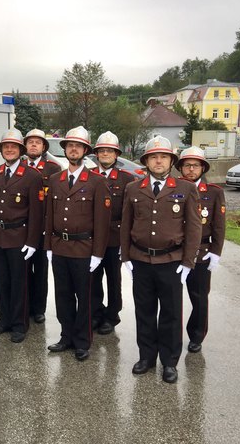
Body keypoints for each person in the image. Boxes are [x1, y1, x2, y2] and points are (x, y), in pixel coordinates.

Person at [121, 135, 201, 384]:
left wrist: (188, 262)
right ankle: (146, 357)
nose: (158, 160)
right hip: (141, 260)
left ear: (171, 161)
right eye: (154, 156)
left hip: (171, 262)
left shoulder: (186, 189)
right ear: (146, 161)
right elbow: (126, 224)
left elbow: (194, 228)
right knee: (144, 312)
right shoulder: (134, 188)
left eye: (163, 156)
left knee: (171, 313)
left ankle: (169, 361)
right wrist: (125, 256)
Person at [44, 126, 111, 361]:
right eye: (70, 146)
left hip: (84, 249)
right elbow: (49, 215)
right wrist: (48, 246)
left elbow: (102, 222)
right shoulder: (55, 180)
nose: (73, 149)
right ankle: (66, 336)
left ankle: (82, 341)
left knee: (85, 297)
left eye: (78, 146)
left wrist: (98, 253)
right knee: (62, 295)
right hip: (60, 247)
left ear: (85, 151)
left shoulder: (96, 182)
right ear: (65, 150)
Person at [0, 129, 44, 343]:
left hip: (19, 237)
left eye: (13, 147)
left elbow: (37, 213)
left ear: (20, 150)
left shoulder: (32, 176)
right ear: (1, 150)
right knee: (2, 281)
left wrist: (32, 242)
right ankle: (5, 320)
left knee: (19, 282)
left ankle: (19, 324)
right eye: (5, 147)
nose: (9, 149)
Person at [176, 146, 226, 353]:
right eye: (187, 165)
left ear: (202, 168)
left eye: (195, 165)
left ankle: (197, 335)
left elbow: (219, 225)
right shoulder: (174, 188)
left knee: (199, 297)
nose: (190, 169)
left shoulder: (214, 192)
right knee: (172, 297)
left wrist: (216, 251)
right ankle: (172, 334)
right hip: (176, 251)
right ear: (180, 168)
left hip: (201, 252)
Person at [90, 131, 136, 335]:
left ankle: (112, 315)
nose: (106, 154)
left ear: (116, 155)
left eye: (110, 151)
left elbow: (131, 214)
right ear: (97, 154)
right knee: (93, 277)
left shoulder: (127, 180)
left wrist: (127, 243)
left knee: (113, 278)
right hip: (91, 237)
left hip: (114, 237)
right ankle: (95, 313)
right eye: (102, 151)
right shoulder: (88, 175)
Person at [23, 128, 61, 323]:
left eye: (38, 142)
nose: (34, 145)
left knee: (40, 270)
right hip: (21, 227)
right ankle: (25, 305)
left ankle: (39, 309)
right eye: (30, 142)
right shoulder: (19, 165)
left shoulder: (53, 169)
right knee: (23, 270)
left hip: (43, 228)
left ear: (44, 146)